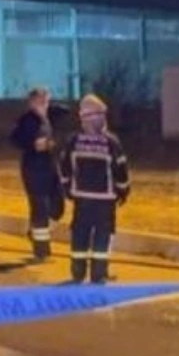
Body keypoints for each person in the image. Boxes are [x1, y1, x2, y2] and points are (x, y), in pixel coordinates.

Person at [60, 94, 130, 284]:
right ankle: (99, 273)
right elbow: (121, 169)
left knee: (80, 233)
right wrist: (123, 191)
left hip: (81, 199)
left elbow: (64, 166)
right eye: (101, 115)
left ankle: (77, 272)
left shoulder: (73, 141)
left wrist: (67, 188)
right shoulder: (111, 142)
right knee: (103, 235)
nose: (104, 119)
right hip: (105, 200)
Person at [9, 87, 62, 262]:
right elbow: (15, 139)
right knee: (40, 209)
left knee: (58, 205)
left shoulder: (48, 117)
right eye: (40, 101)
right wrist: (33, 144)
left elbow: (65, 111)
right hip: (33, 169)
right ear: (31, 102)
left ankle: (35, 232)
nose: (44, 104)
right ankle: (41, 251)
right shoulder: (27, 120)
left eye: (46, 100)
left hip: (49, 166)